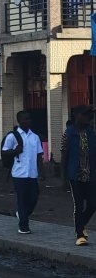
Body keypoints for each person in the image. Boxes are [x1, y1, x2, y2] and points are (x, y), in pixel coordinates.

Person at [2, 110, 43, 234]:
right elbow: (4, 152)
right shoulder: (12, 136)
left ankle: (22, 213)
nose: (28, 121)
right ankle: (23, 226)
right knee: (22, 198)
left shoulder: (35, 137)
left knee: (34, 197)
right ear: (19, 120)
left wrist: (42, 172)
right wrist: (15, 151)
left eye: (29, 118)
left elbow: (39, 156)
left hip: (32, 173)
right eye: (25, 119)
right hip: (19, 173)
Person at [61, 105, 96, 246]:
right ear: (77, 116)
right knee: (79, 204)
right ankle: (79, 234)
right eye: (86, 114)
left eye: (90, 115)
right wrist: (64, 178)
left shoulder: (91, 133)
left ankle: (81, 224)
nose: (89, 117)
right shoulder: (68, 133)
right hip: (75, 175)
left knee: (93, 203)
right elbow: (64, 156)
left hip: (91, 175)